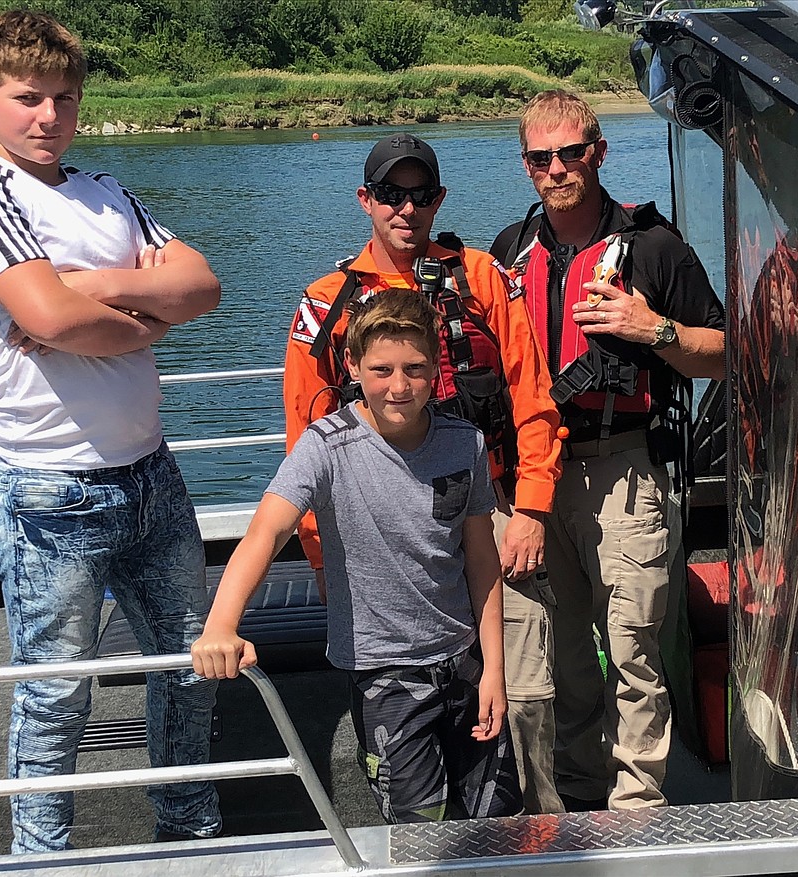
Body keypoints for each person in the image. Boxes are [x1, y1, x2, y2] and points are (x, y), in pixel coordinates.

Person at [0, 10, 222, 852]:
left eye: (64, 98)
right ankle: (43, 857)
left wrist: (99, 283)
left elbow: (202, 285)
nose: (49, 117)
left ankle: (191, 831)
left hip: (150, 472)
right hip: (50, 486)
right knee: (57, 693)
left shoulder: (106, 192)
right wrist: (144, 312)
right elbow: (52, 320)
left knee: (189, 670)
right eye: (28, 98)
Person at [283, 133, 564, 814]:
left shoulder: (480, 277)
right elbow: (304, 436)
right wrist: (323, 556)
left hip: (487, 513)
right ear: (366, 200)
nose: (405, 208)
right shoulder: (325, 302)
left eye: (419, 194)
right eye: (389, 193)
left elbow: (532, 395)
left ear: (438, 200)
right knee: (398, 707)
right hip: (377, 530)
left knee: (522, 696)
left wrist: (530, 507)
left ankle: (536, 847)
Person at [193, 290, 522, 822]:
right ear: (352, 365)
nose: (399, 386)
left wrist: (495, 674)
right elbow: (266, 532)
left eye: (415, 369)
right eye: (383, 369)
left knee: (498, 821)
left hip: (466, 662)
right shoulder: (327, 445)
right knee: (419, 832)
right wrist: (221, 623)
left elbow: (483, 563)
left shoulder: (466, 443)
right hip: (384, 674)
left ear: (437, 368)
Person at [491, 89, 726, 810]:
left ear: (598, 151)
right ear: (527, 164)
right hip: (534, 479)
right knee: (560, 658)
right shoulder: (508, 250)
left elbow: (726, 352)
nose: (557, 168)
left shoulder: (655, 248)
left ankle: (637, 813)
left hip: (623, 468)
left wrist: (653, 328)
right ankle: (578, 805)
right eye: (541, 157)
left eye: (571, 152)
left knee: (634, 650)